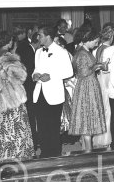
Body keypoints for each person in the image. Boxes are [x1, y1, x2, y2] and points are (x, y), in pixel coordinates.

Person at [0, 31, 34, 162]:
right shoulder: (10, 58)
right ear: (9, 42)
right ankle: (15, 157)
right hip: (12, 100)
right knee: (14, 129)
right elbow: (22, 76)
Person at [32, 25, 74, 158]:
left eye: (40, 35)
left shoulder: (61, 51)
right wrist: (34, 74)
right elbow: (36, 68)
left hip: (54, 94)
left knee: (53, 127)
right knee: (42, 126)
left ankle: (55, 154)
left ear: (48, 36)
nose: (38, 37)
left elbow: (69, 72)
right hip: (39, 93)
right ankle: (44, 153)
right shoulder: (38, 51)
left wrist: (51, 76)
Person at [68, 26, 107, 153]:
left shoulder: (83, 51)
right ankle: (88, 151)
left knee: (87, 118)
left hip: (87, 86)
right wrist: (98, 66)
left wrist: (98, 66)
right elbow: (84, 72)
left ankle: (88, 149)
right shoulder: (83, 53)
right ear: (87, 39)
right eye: (95, 40)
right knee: (87, 117)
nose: (97, 42)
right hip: (87, 87)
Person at [93, 23, 114, 149]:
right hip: (106, 79)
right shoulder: (110, 49)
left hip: (99, 79)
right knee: (108, 109)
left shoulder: (98, 48)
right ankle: (105, 139)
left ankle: (99, 137)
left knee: (102, 109)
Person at [16, 26, 38, 148]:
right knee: (30, 115)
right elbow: (27, 71)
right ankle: (32, 141)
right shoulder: (27, 50)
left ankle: (33, 139)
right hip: (28, 87)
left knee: (31, 115)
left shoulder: (29, 49)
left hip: (29, 87)